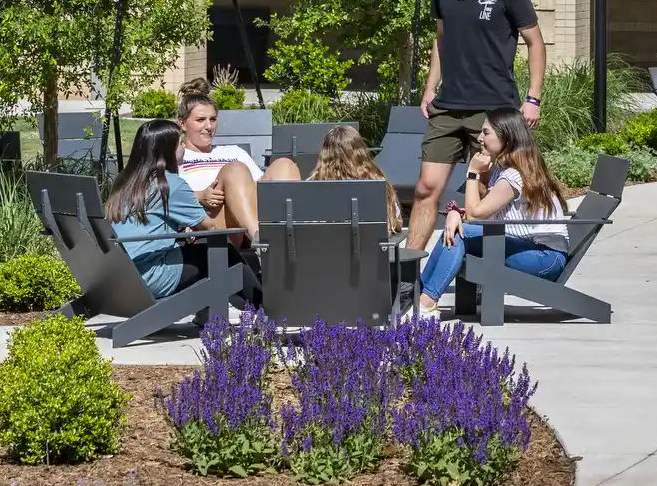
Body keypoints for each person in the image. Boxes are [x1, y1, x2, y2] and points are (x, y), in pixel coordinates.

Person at [410, 0, 547, 256]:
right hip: (448, 106)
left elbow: (536, 43)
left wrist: (533, 98)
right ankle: (408, 273)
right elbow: (441, 40)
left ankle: (481, 280)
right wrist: (430, 88)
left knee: (482, 191)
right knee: (426, 187)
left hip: (493, 108)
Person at [415, 107, 570, 315]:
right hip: (526, 249)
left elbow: (476, 214)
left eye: (486, 133)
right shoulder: (505, 169)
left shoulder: (513, 176)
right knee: (454, 231)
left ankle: (425, 302)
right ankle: (420, 297)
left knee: (460, 234)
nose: (479, 138)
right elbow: (481, 211)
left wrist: (473, 172)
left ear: (506, 137)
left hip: (545, 259)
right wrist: (455, 213)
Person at [107, 119, 231, 298]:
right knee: (227, 256)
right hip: (151, 277)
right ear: (168, 151)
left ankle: (208, 317)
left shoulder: (125, 181)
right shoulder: (170, 184)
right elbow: (209, 228)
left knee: (199, 253)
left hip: (122, 277)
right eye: (180, 143)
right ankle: (265, 309)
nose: (184, 147)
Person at [260, 124, 402, 234]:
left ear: (324, 154)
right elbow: (395, 223)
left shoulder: (310, 189)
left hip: (322, 262)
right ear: (360, 151)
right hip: (369, 262)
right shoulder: (379, 185)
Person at [176, 79, 265, 239]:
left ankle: (292, 243)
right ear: (182, 123)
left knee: (284, 164)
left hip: (247, 223)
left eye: (213, 119)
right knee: (234, 170)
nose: (209, 126)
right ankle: (262, 245)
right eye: (200, 120)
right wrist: (199, 196)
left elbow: (263, 187)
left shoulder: (234, 151)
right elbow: (157, 194)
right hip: (209, 229)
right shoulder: (175, 157)